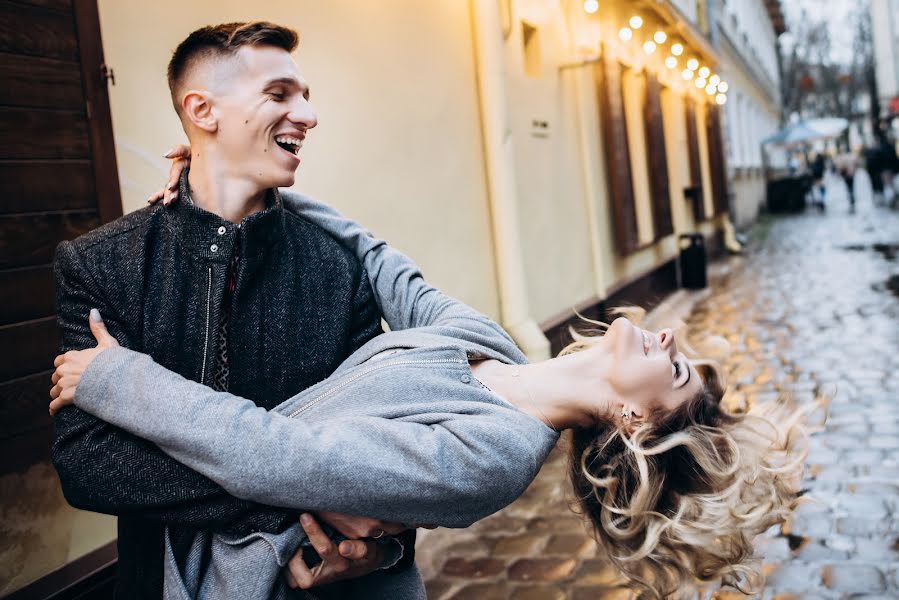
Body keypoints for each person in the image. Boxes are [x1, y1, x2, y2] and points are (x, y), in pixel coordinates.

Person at [50, 194, 816, 600]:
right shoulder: (495, 348)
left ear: (632, 421)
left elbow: (279, 458)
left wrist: (120, 379)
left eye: (677, 374)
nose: (673, 343)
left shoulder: (495, 457)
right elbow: (384, 265)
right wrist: (242, 186)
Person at [51, 22, 418, 599]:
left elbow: (376, 442)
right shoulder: (101, 264)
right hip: (162, 581)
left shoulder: (338, 269)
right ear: (203, 110)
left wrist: (378, 545)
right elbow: (89, 462)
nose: (308, 115)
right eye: (279, 95)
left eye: (305, 96)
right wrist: (307, 498)